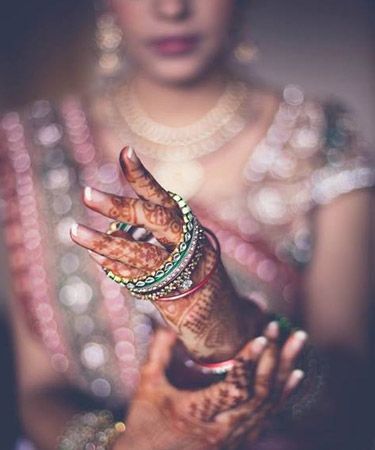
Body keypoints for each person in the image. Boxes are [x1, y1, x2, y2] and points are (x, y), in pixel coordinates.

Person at [0, 0, 373, 449]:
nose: (172, 9)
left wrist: (229, 333)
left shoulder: (320, 137)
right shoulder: (30, 147)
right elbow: (39, 390)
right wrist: (122, 444)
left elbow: (345, 387)